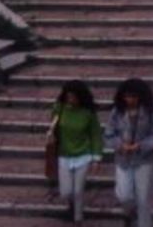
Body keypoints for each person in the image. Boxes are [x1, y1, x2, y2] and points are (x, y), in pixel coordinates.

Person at [105, 78, 153, 227]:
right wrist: (120, 145)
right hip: (123, 160)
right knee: (124, 196)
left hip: (144, 160)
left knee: (144, 199)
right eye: (127, 96)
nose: (130, 100)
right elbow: (108, 134)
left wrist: (141, 146)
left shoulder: (152, 113)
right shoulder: (117, 113)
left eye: (133, 96)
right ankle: (129, 213)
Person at [48, 80, 103, 223]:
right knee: (66, 191)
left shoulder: (88, 113)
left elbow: (95, 135)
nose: (70, 99)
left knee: (78, 190)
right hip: (63, 154)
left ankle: (78, 217)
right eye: (68, 96)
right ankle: (71, 206)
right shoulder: (59, 109)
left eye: (74, 97)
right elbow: (52, 125)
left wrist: (96, 158)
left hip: (83, 155)